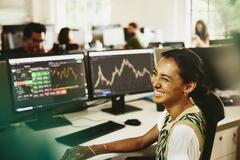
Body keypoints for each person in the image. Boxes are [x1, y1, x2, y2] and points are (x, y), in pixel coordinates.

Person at [60, 48, 210, 160]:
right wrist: (92, 149)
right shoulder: (176, 111)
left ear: (188, 87)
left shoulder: (182, 131)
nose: (155, 83)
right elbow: (141, 142)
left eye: (165, 78)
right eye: (154, 73)